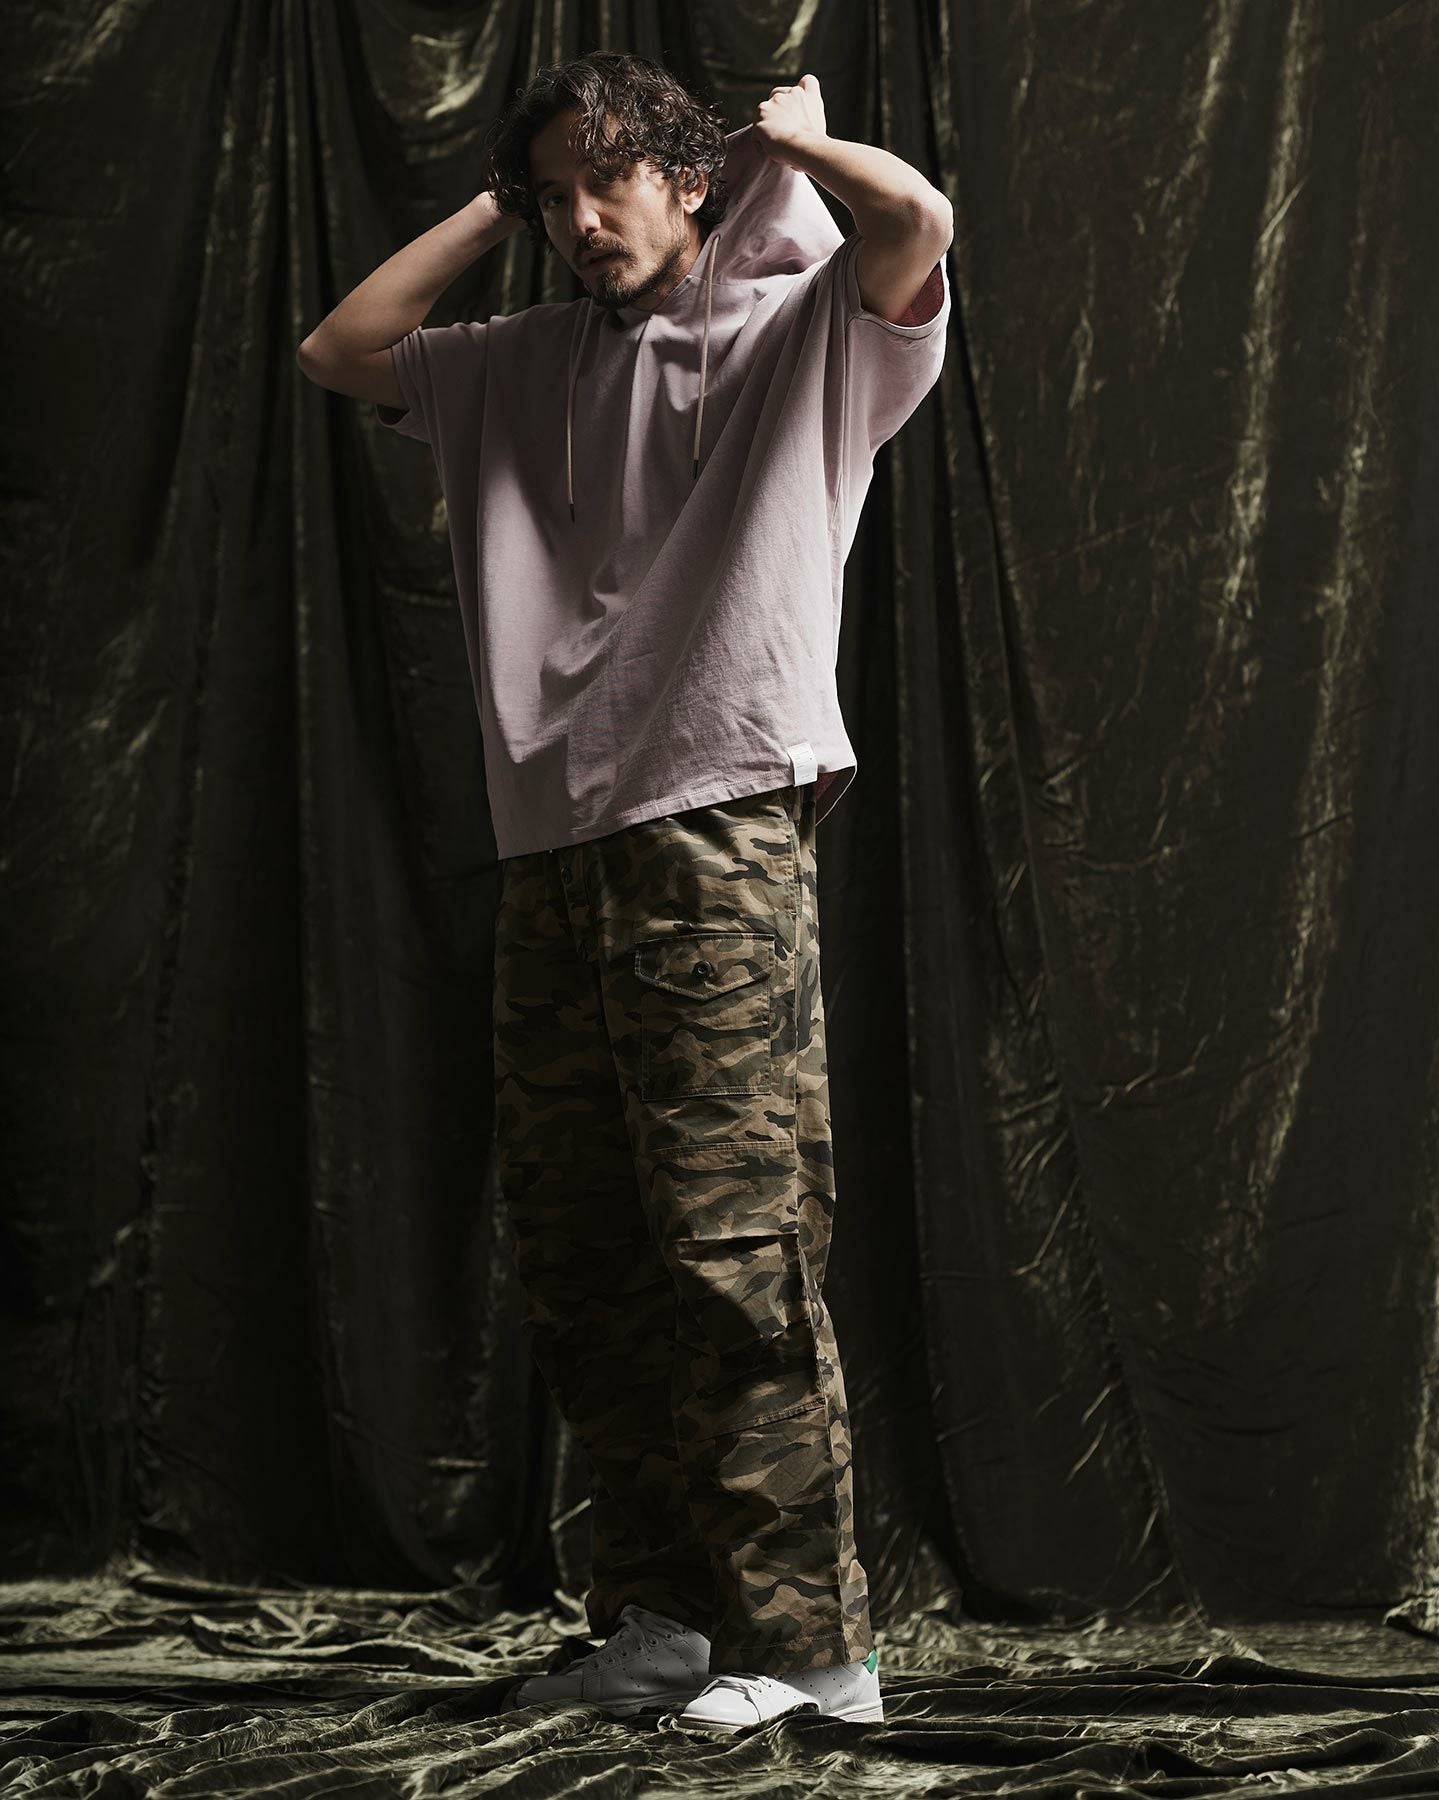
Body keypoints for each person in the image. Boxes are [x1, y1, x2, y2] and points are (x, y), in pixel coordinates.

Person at [297, 49, 952, 1734]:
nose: (582, 218)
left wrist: (799, 147)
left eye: (611, 177)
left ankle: (816, 1654)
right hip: (553, 849)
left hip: (716, 827)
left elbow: (917, 223)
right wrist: (491, 205)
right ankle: (661, 1622)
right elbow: (341, 348)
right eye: (555, 194)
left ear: (690, 177)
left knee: (736, 1246)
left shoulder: (803, 332)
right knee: (587, 1256)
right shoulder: (520, 359)